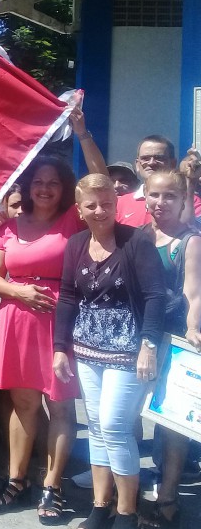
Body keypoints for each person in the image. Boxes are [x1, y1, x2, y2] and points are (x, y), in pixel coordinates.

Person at [52, 173, 166, 529]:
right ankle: (101, 507)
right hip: (87, 349)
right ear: (80, 209)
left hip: (128, 349)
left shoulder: (136, 242)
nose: (100, 210)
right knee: (98, 426)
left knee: (116, 425)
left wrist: (148, 344)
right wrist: (59, 348)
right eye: (92, 205)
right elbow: (69, 297)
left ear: (117, 205)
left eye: (107, 203)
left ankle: (127, 512)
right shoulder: (75, 244)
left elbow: (155, 296)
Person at [0, 156, 83, 522]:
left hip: (60, 322)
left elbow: (101, 180)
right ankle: (18, 478)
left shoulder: (74, 220)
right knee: (23, 403)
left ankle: (53, 485)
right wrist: (19, 292)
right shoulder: (8, 227)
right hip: (17, 318)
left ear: (65, 188)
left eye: (53, 182)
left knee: (59, 406)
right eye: (38, 181)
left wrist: (83, 134)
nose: (44, 188)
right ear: (26, 187)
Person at [138, 171, 201, 529]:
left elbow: (194, 294)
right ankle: (125, 493)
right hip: (136, 336)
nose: (160, 203)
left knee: (172, 422)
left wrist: (193, 328)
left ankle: (168, 500)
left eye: (169, 196)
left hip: (173, 338)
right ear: (144, 197)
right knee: (128, 416)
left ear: (183, 200)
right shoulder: (140, 235)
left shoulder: (190, 241)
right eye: (154, 195)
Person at [116, 135, 201, 226]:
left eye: (159, 158)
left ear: (173, 163)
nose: (151, 162)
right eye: (145, 158)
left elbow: (190, 230)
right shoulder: (121, 203)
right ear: (137, 164)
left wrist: (190, 181)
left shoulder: (191, 201)